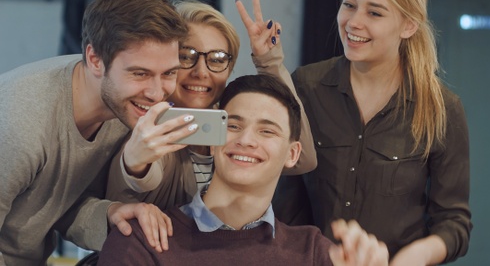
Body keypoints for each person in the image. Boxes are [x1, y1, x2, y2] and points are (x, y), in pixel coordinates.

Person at [272, 0, 473, 265]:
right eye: (349, 4)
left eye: (375, 13)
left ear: (408, 25)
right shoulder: (307, 86)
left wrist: (415, 256)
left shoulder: (442, 109)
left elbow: (454, 222)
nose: (353, 22)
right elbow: (287, 198)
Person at [98, 74, 389, 265]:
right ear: (211, 142)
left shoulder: (313, 251)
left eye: (267, 131)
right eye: (233, 126)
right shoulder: (144, 241)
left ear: (292, 154)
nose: (246, 140)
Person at [0, 0, 193, 265]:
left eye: (169, 73)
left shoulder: (122, 108)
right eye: (140, 73)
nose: (156, 93)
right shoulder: (20, 122)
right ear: (95, 60)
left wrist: (111, 213)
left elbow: (56, 207)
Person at [106, 0, 316, 211]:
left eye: (217, 59)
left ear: (229, 68)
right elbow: (136, 182)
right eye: (186, 56)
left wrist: (269, 63)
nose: (201, 72)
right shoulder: (147, 124)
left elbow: (303, 158)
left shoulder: (233, 125)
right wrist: (136, 164)